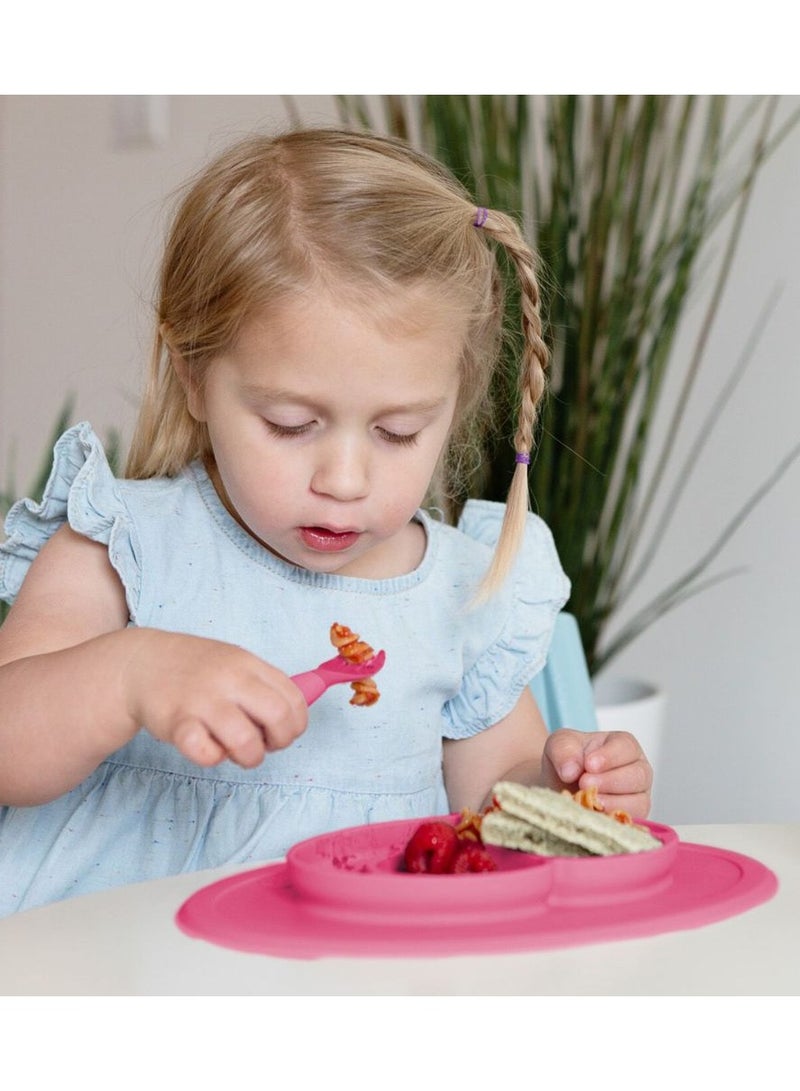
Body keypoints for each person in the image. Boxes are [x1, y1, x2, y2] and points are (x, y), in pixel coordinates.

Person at [0, 128, 652, 916]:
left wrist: (566, 788)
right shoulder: (125, 546)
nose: (344, 480)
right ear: (196, 379)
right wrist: (128, 673)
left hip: (357, 980)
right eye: (288, 423)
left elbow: (496, 804)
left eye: (398, 432)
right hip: (118, 976)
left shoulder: (459, 593)